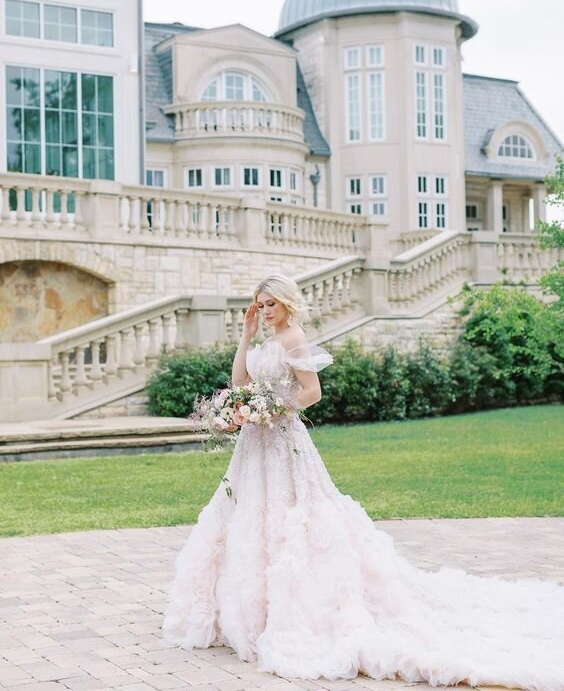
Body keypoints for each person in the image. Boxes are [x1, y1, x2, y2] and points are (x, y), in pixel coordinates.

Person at [162, 274, 564, 690]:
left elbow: (311, 392)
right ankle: (249, 609)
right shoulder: (265, 342)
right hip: (254, 445)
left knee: (292, 518)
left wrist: (270, 410)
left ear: (286, 304)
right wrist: (245, 340)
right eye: (259, 305)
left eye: (270, 305)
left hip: (281, 440)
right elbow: (240, 384)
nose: (264, 312)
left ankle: (294, 610)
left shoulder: (294, 338)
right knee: (248, 515)